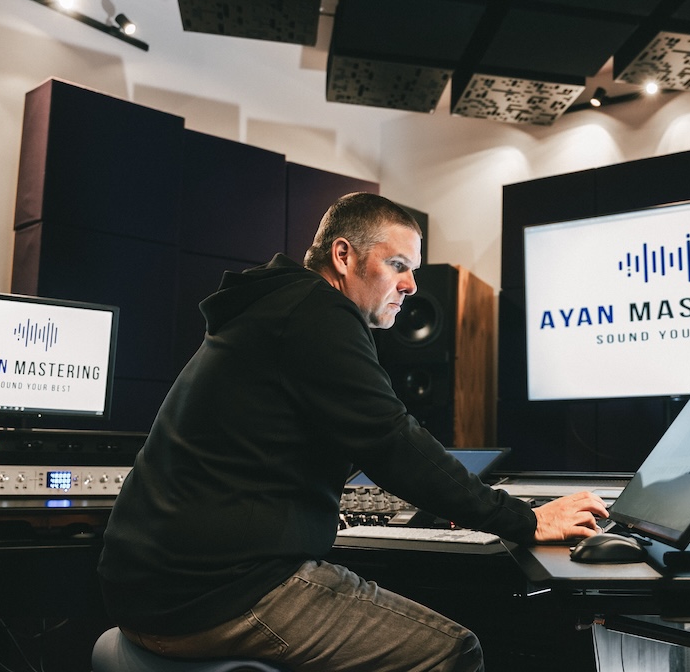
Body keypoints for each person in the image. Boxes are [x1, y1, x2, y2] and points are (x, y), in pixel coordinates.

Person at [97, 191, 608, 671]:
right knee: (451, 652)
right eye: (398, 265)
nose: (410, 285)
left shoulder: (274, 308)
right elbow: (390, 441)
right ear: (344, 256)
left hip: (154, 591)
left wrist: (444, 504)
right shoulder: (316, 313)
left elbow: (357, 441)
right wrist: (524, 521)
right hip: (218, 595)